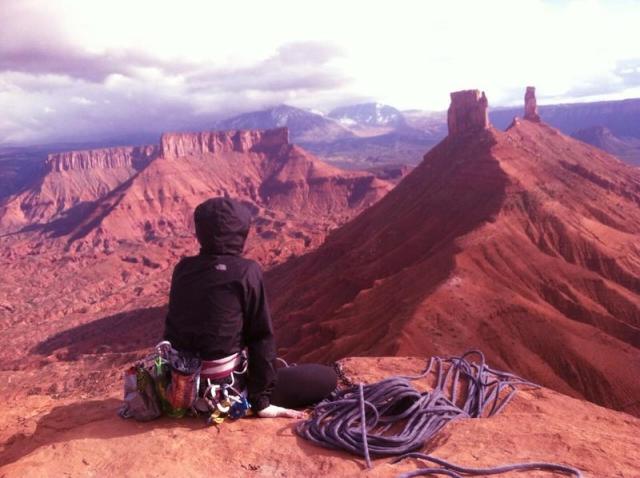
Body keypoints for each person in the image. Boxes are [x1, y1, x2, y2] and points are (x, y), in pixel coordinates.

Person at [163, 197, 337, 418]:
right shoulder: (246, 271)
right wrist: (261, 401)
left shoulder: (183, 269)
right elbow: (261, 337)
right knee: (327, 377)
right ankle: (251, 396)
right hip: (224, 391)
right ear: (241, 233)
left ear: (201, 232)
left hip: (180, 386)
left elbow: (171, 331)